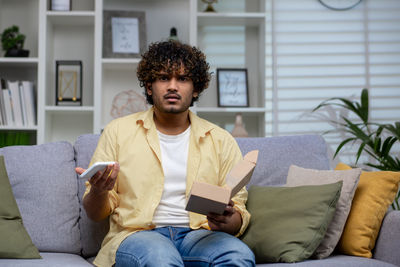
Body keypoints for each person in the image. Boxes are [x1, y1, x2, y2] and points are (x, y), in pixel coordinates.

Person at [76, 41, 255, 267]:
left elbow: (238, 209)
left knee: (239, 256)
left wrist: (229, 220)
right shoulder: (118, 131)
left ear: (196, 88)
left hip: (199, 235)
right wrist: (99, 192)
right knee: (161, 259)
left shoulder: (220, 139)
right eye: (163, 78)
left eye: (182, 79)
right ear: (149, 87)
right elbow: (94, 213)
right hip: (138, 235)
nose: (172, 86)